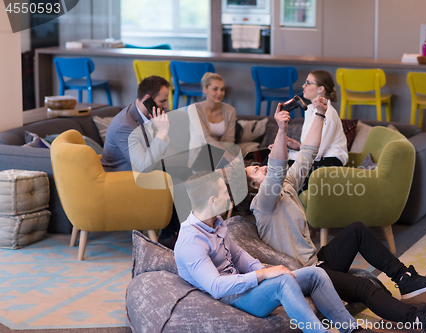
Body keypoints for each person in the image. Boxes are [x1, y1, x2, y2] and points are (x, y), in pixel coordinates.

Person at [241, 99, 426, 333]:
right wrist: (281, 130)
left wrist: (321, 114)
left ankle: (405, 279)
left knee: (357, 230)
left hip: (318, 261)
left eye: (258, 166)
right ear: (253, 186)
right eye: (255, 170)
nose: (261, 167)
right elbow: (274, 170)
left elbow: (307, 153)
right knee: (362, 286)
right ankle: (421, 318)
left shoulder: (287, 185)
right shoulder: (261, 205)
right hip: (307, 275)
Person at [174, 170, 375, 333]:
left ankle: (351, 330)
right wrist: (262, 274)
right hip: (229, 298)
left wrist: (262, 270)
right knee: (282, 282)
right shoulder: (191, 241)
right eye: (224, 192)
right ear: (212, 201)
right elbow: (216, 287)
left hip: (243, 286)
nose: (229, 195)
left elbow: (237, 255)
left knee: (316, 273)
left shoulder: (217, 223)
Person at [101, 75, 187, 248]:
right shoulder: (124, 126)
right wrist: (162, 134)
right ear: (148, 99)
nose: (167, 106)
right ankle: (169, 237)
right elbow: (143, 166)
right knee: (178, 179)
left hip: (145, 169)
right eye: (163, 101)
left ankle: (185, 234)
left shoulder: (151, 115)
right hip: (124, 179)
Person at [188, 72, 237, 150]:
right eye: (215, 89)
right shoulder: (194, 109)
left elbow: (229, 140)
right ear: (205, 89)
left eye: (222, 89)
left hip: (222, 156)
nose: (219, 93)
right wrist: (226, 155)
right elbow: (205, 138)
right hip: (199, 156)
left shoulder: (230, 111)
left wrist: (223, 157)